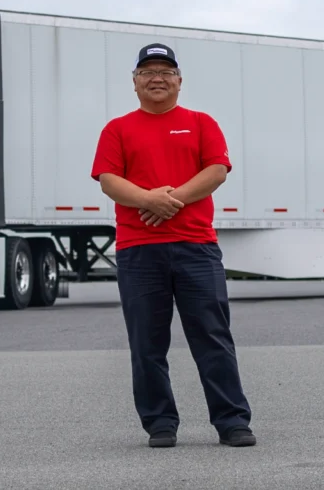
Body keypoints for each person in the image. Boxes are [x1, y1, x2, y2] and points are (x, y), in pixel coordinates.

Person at [90, 42, 255, 448]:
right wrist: (149, 200)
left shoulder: (201, 123)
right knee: (147, 343)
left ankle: (232, 422)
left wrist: (169, 199)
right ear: (134, 83)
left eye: (166, 71)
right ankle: (160, 423)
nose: (157, 77)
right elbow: (109, 180)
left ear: (179, 81)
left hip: (196, 247)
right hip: (138, 251)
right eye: (147, 72)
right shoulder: (117, 129)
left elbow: (216, 171)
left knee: (212, 337)